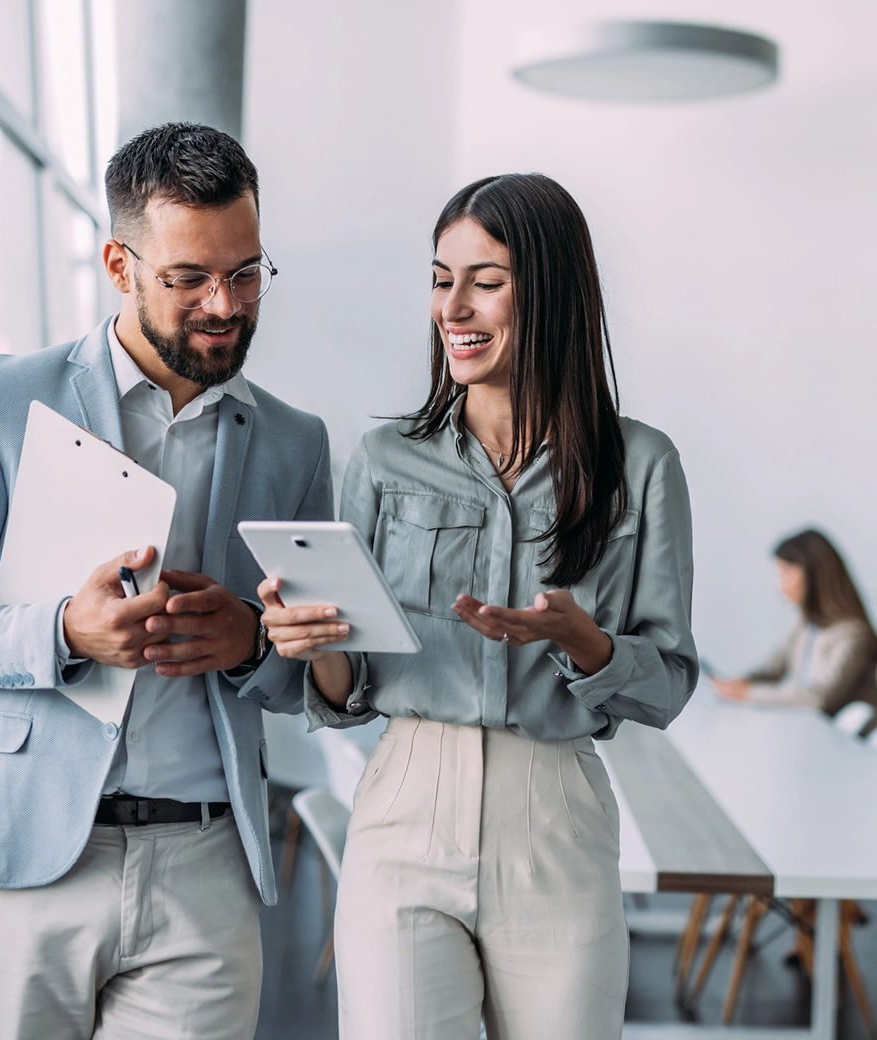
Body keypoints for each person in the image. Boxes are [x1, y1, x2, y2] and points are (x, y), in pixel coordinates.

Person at [0, 123, 333, 1040]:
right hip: (24, 854)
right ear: (119, 265)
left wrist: (252, 642)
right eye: (189, 278)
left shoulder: (295, 441)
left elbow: (311, 673)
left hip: (207, 867)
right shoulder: (2, 397)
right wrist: (62, 632)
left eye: (246, 273)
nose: (225, 304)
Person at [259, 173, 698, 1040]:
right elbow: (355, 688)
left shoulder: (641, 465)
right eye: (439, 277)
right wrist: (312, 642)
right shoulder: (384, 458)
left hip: (556, 816)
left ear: (555, 293)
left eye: (486, 281)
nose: (451, 306)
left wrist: (588, 645)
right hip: (404, 803)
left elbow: (670, 682)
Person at [713, 529, 877, 726]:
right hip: (812, 730)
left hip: (848, 742)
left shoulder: (853, 635)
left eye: (786, 574)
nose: (780, 585)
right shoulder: (806, 623)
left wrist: (748, 693)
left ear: (815, 575)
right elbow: (774, 669)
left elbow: (820, 699)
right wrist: (741, 682)